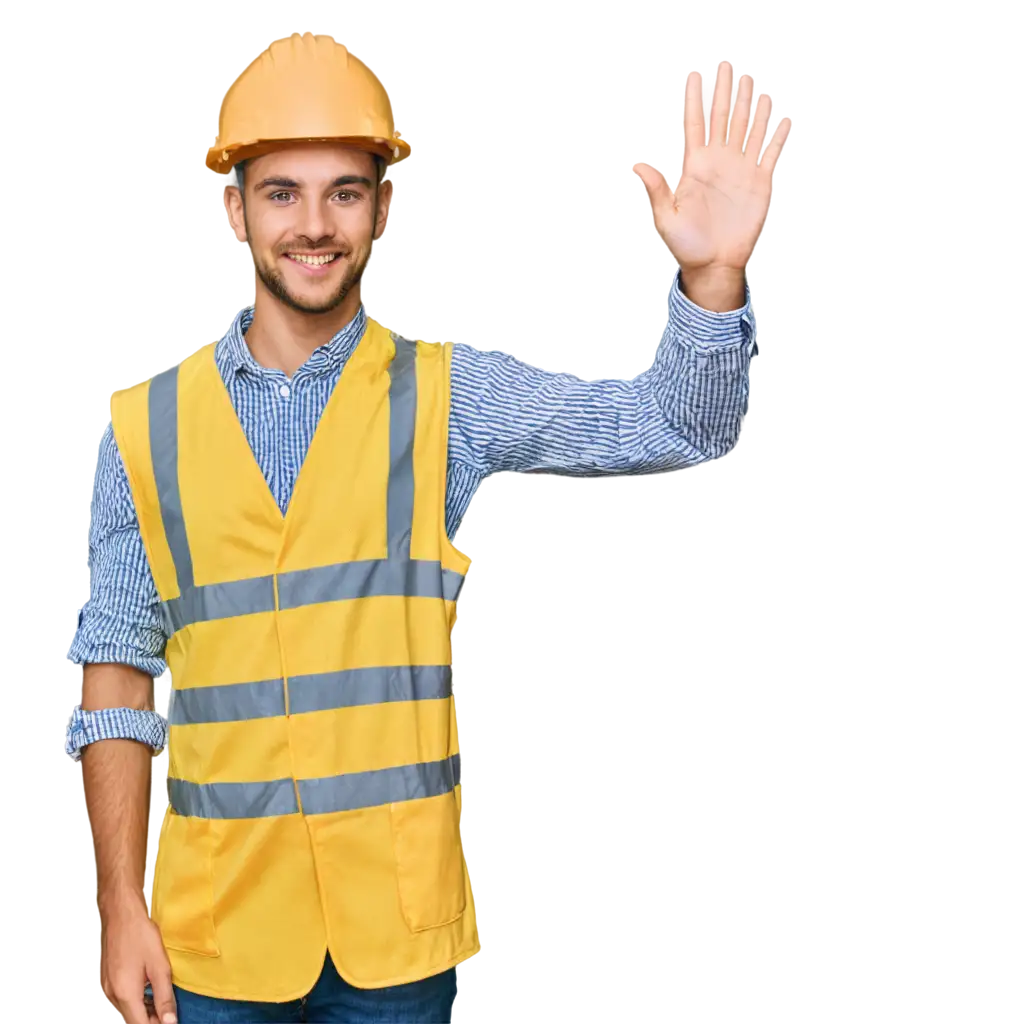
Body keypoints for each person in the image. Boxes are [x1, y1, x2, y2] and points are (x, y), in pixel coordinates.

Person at [63, 26, 789, 1024]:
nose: (313, 224)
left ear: (382, 206)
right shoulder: (140, 426)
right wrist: (118, 903)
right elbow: (114, 669)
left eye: (344, 191)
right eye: (281, 191)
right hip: (212, 936)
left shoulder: (451, 397)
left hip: (394, 945)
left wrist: (713, 278)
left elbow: (677, 424)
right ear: (233, 208)